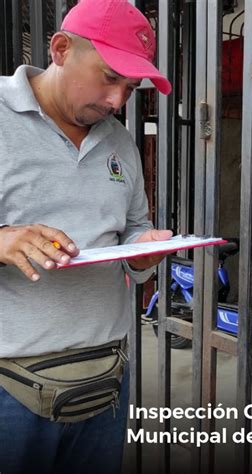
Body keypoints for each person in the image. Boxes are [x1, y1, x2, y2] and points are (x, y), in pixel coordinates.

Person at [0, 1, 172, 473]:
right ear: (60, 49)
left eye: (131, 88)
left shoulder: (118, 140)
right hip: (9, 388)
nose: (118, 101)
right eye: (109, 77)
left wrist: (143, 254)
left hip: (106, 379)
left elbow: (133, 229)